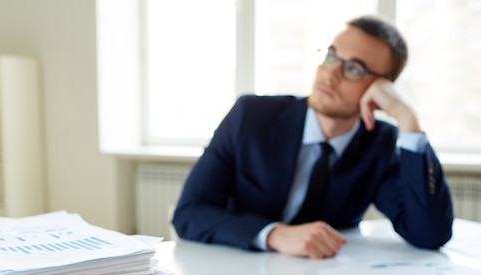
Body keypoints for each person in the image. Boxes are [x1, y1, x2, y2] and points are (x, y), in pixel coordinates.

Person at [172, 15, 453, 259]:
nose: (330, 73)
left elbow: (429, 235)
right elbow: (189, 213)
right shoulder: (251, 116)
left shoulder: (379, 142)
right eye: (331, 56)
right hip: (237, 273)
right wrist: (275, 235)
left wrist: (408, 118)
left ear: (382, 88)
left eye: (353, 69)